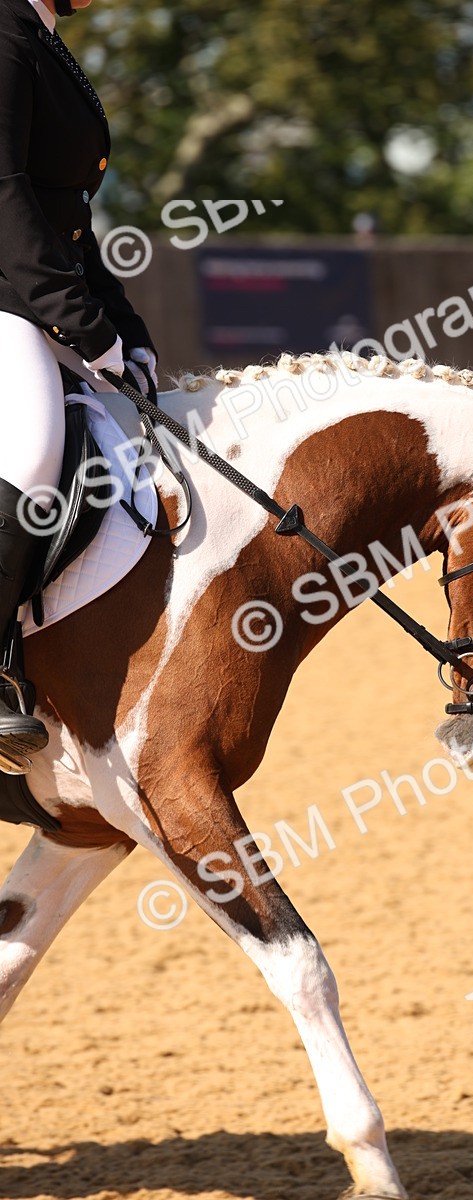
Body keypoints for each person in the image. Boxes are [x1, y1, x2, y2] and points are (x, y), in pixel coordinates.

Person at [0, 0, 157, 771]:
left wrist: (125, 328)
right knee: (33, 456)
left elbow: (70, 217)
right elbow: (4, 196)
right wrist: (78, 324)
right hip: (6, 300)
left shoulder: (43, 41)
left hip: (39, 299)